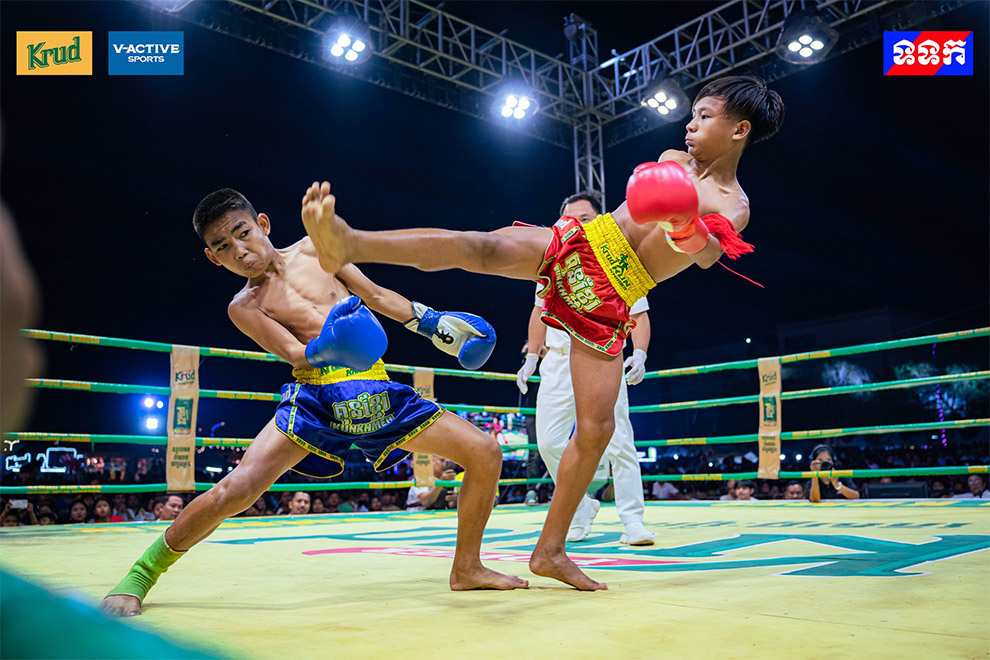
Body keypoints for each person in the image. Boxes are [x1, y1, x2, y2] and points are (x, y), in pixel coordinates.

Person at [300, 75, 784, 590]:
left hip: (615, 294)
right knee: (480, 247)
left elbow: (709, 256)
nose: (689, 124)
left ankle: (550, 550)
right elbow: (649, 204)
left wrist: (684, 222)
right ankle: (350, 242)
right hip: (583, 242)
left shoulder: (734, 203)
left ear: (740, 130)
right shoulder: (671, 157)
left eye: (704, 116)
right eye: (692, 113)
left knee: (596, 432)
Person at [100, 188, 527, 619]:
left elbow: (376, 295)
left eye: (242, 233)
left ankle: (467, 567)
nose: (240, 251)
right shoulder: (243, 306)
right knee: (239, 488)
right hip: (315, 395)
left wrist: (432, 323)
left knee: (485, 452)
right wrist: (331, 345)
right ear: (214, 258)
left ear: (262, 224)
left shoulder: (316, 250)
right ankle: (141, 574)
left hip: (374, 388)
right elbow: (292, 352)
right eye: (223, 247)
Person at [517, 190, 653, 545]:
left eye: (585, 219)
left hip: (602, 358)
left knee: (620, 440)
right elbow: (538, 310)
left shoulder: (618, 258)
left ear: (601, 221)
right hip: (558, 362)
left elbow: (639, 313)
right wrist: (532, 356)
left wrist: (639, 354)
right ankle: (580, 509)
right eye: (570, 219)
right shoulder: (552, 258)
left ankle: (632, 520)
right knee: (547, 442)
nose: (577, 225)